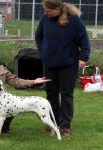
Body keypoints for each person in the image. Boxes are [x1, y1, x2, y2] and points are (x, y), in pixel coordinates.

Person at [0, 38, 51, 138]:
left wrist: (33, 82)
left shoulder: (1, 66)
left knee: (14, 103)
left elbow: (15, 81)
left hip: (2, 103)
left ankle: (4, 125)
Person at [35, 0, 90, 136]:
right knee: (51, 95)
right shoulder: (44, 19)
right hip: (49, 64)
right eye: (45, 10)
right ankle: (52, 123)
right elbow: (39, 36)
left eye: (48, 11)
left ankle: (65, 125)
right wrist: (43, 52)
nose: (45, 13)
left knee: (66, 94)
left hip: (68, 63)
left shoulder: (74, 21)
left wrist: (83, 58)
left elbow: (84, 40)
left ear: (58, 9)